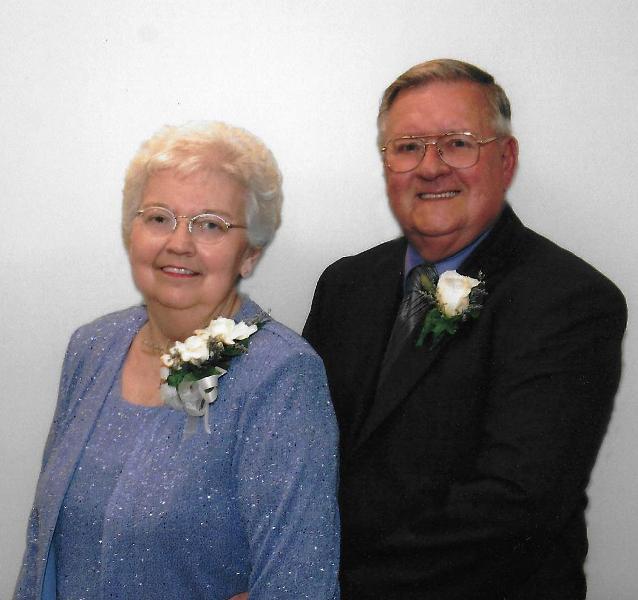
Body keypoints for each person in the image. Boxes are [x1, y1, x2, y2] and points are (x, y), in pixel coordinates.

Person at [303, 59, 626, 599]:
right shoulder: (345, 284)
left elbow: (516, 505)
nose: (430, 168)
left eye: (457, 143)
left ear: (506, 158)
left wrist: (329, 590)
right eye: (408, 146)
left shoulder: (569, 299)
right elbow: (303, 451)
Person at [15, 121, 340, 600]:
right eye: (159, 218)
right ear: (131, 232)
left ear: (249, 254)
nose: (179, 243)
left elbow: (299, 584)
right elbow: (43, 545)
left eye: (210, 224)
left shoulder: (282, 376)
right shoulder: (93, 346)